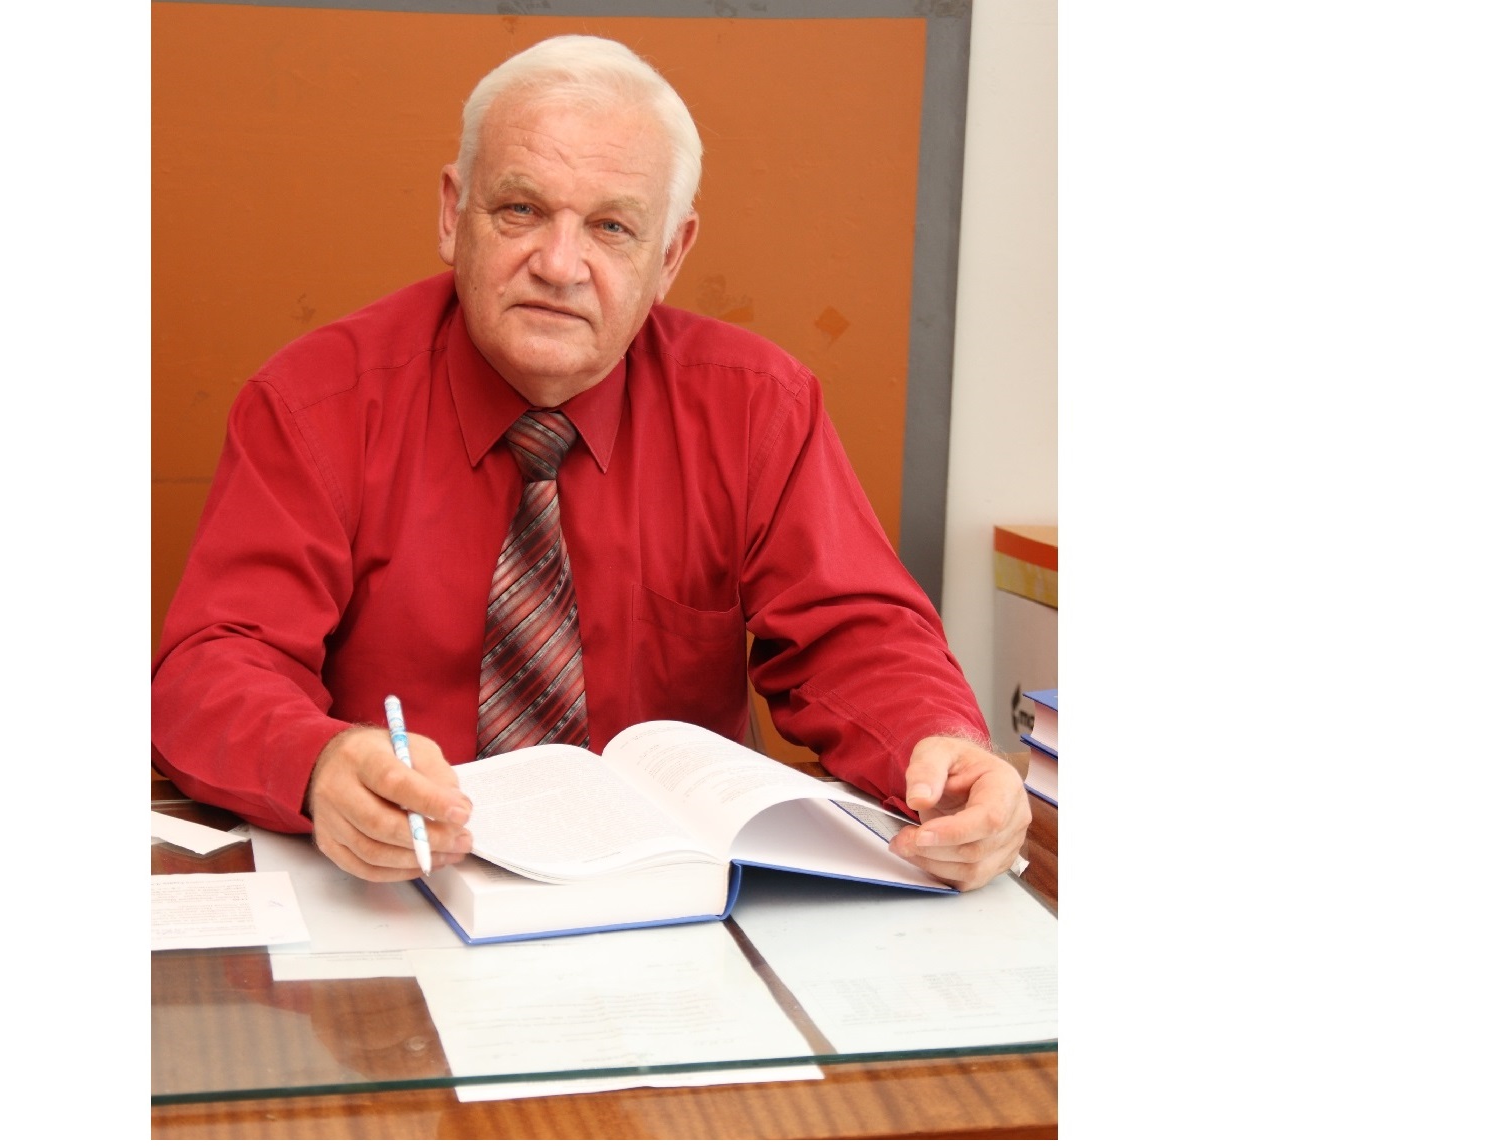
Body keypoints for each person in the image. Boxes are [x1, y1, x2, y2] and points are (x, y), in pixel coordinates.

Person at [151, 34, 1029, 892]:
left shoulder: (757, 408)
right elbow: (214, 667)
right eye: (521, 210)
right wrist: (318, 764)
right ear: (454, 214)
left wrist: (939, 747)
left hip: (673, 897)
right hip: (407, 886)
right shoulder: (314, 403)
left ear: (670, 255)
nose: (559, 265)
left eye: (612, 226)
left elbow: (858, 637)